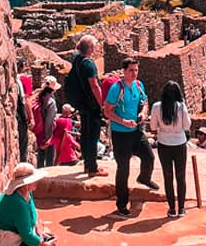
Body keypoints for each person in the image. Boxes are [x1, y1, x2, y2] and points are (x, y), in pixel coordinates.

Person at [105, 58, 155, 217]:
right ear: (124, 71)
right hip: (120, 134)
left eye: (136, 70)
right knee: (123, 168)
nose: (134, 73)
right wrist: (123, 121)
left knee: (149, 156)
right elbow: (107, 111)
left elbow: (145, 102)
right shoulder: (116, 89)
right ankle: (122, 203)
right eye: (131, 70)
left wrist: (143, 113)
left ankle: (144, 178)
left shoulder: (139, 85)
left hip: (136, 131)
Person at [63, 35, 108, 176]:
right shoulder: (89, 64)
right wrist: (102, 104)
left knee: (85, 135)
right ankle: (93, 168)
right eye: (94, 46)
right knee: (93, 136)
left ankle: (88, 165)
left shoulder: (76, 60)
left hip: (81, 104)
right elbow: (94, 86)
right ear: (90, 48)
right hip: (91, 104)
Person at [150, 80, 192, 216]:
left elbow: (152, 127)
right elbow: (187, 126)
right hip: (179, 144)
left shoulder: (157, 107)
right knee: (181, 176)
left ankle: (171, 208)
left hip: (164, 144)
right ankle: (181, 208)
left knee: (168, 177)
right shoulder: (181, 107)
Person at [32, 75, 62, 167]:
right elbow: (49, 120)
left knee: (40, 155)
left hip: (39, 131)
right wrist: (49, 136)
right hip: (47, 132)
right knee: (49, 158)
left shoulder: (39, 97)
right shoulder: (51, 102)